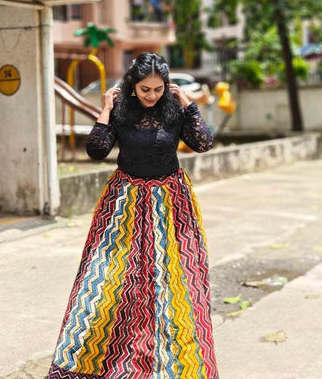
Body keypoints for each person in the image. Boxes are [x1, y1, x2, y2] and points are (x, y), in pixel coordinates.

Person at [47, 52, 219, 379]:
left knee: (169, 282)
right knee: (109, 277)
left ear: (166, 86)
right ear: (133, 86)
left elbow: (203, 143)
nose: (151, 96)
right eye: (145, 89)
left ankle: (167, 364)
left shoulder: (173, 111)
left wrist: (188, 104)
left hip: (171, 203)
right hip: (124, 203)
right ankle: (108, 362)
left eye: (158, 89)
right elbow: (97, 150)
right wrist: (106, 109)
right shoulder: (122, 111)